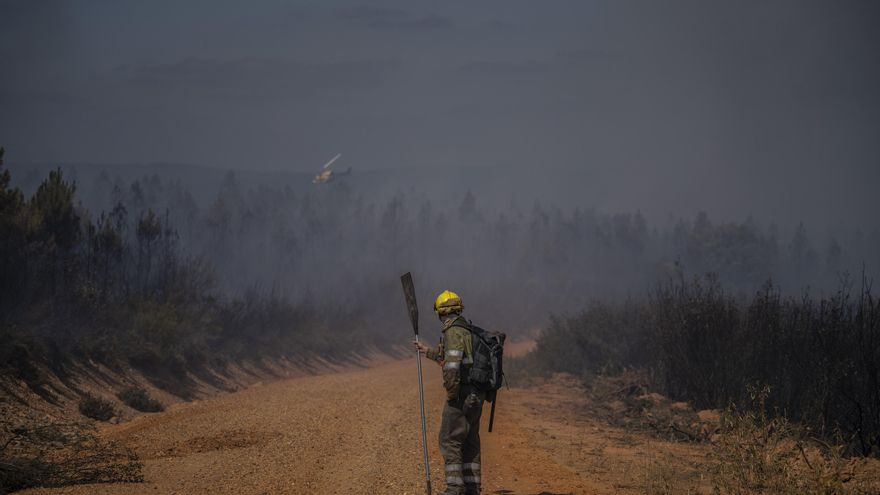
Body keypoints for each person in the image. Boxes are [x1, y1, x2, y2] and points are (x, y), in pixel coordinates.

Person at [414, 290, 485, 495]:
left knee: (449, 439)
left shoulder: (452, 332)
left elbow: (452, 367)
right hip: (476, 395)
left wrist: (452, 395)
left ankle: (454, 488)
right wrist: (426, 350)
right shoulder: (467, 329)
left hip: (461, 395)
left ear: (441, 312)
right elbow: (450, 357)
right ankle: (472, 488)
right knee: (470, 441)